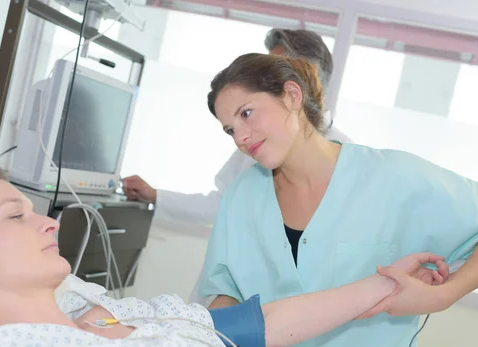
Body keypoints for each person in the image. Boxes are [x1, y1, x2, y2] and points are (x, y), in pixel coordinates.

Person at [0, 158, 448, 347]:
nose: (47, 220)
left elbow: (258, 324)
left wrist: (386, 286)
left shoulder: (108, 312)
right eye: (15, 215)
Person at [198, 52, 478, 347]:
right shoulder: (241, 197)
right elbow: (224, 288)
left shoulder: (391, 178)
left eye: (246, 113)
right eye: (230, 129)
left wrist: (443, 295)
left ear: (292, 96)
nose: (241, 138)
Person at [122, 29, 350, 227]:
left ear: (304, 79)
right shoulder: (255, 140)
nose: (240, 138)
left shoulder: (353, 160)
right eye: (230, 130)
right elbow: (223, 203)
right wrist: (155, 196)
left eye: (273, 71)